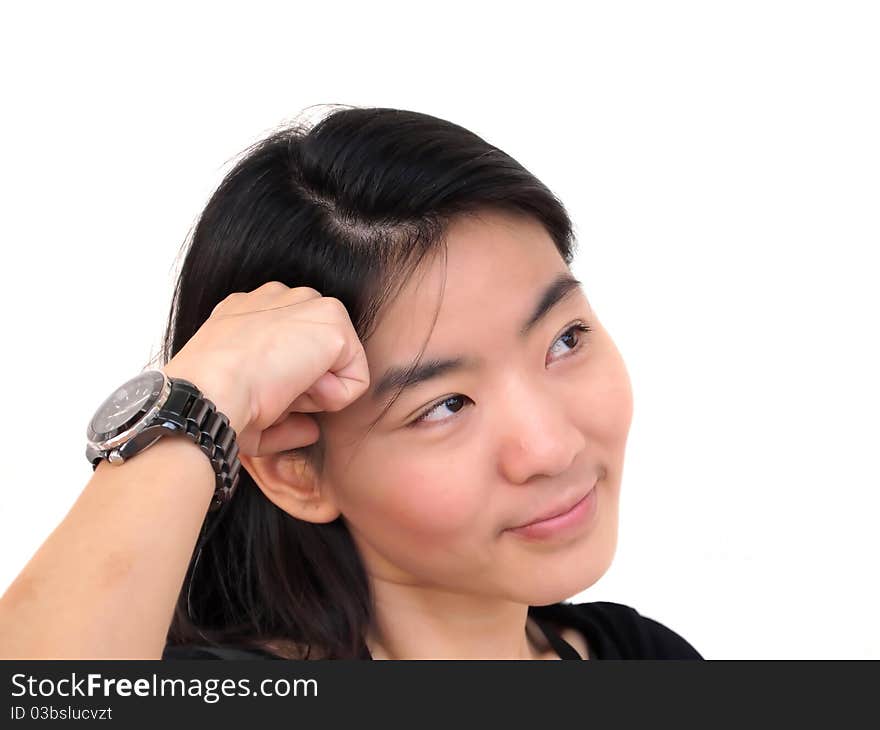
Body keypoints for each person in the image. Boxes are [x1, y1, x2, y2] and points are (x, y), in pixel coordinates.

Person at [0, 105, 702, 660]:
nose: (551, 447)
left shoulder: (648, 659)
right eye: (445, 405)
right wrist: (202, 394)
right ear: (294, 469)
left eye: (565, 339)